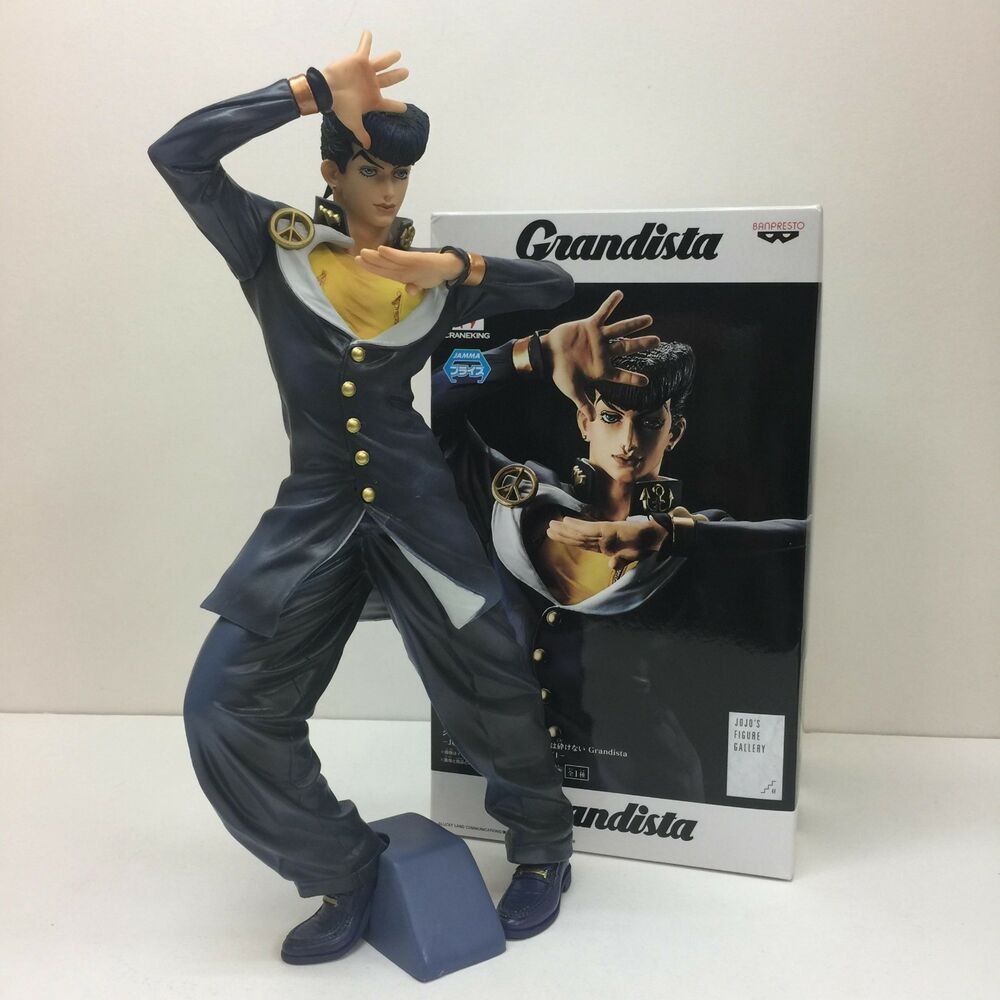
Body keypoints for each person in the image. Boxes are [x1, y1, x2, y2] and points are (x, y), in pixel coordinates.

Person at [148, 33, 575, 963]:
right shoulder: (272, 247)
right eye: (372, 170)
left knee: (493, 677)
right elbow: (177, 154)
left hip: (420, 511)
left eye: (401, 176)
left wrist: (456, 270)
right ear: (333, 174)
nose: (388, 192)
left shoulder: (432, 280)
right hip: (314, 517)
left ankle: (544, 847)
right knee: (223, 707)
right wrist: (307, 90)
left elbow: (559, 286)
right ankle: (342, 867)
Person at [433, 291, 807, 802]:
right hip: (508, 765)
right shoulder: (520, 498)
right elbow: (423, 402)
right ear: (584, 420)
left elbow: (805, 534)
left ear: (675, 431)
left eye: (650, 422)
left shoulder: (696, 534)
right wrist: (531, 353)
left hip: (644, 780)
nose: (629, 441)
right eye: (612, 417)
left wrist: (672, 534)